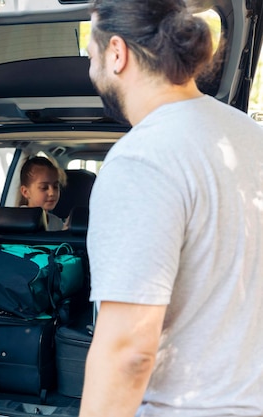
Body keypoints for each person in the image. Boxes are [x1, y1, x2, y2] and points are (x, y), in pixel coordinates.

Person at [80, 1, 263, 417]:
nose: (90, 70)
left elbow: (128, 350)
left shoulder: (141, 160)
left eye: (90, 57)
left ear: (116, 53)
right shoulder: (252, 138)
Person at [19, 155, 67, 231]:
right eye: (44, 187)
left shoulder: (56, 223)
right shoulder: (17, 220)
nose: (52, 193)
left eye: (55, 186)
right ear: (25, 192)